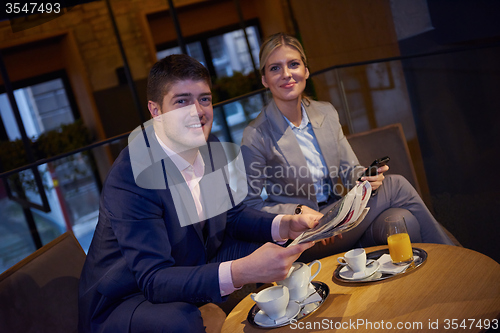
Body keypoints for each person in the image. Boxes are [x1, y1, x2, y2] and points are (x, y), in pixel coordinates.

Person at [78, 54, 318, 333]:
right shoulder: (131, 176)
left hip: (190, 260)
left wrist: (285, 224)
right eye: (182, 101)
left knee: (279, 247)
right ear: (155, 111)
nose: (198, 111)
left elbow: (233, 216)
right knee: (180, 320)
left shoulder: (209, 145)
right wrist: (242, 271)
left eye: (204, 99)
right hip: (126, 297)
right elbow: (153, 280)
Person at [241, 33, 454, 260]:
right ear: (264, 79)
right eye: (275, 68)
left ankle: (427, 288)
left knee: (402, 220)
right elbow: (250, 207)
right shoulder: (255, 135)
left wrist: (366, 177)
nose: (286, 74)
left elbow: (350, 170)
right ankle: (455, 260)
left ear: (306, 70)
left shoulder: (326, 112)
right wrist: (295, 212)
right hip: (305, 233)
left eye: (293, 64)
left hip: (340, 214)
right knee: (398, 186)